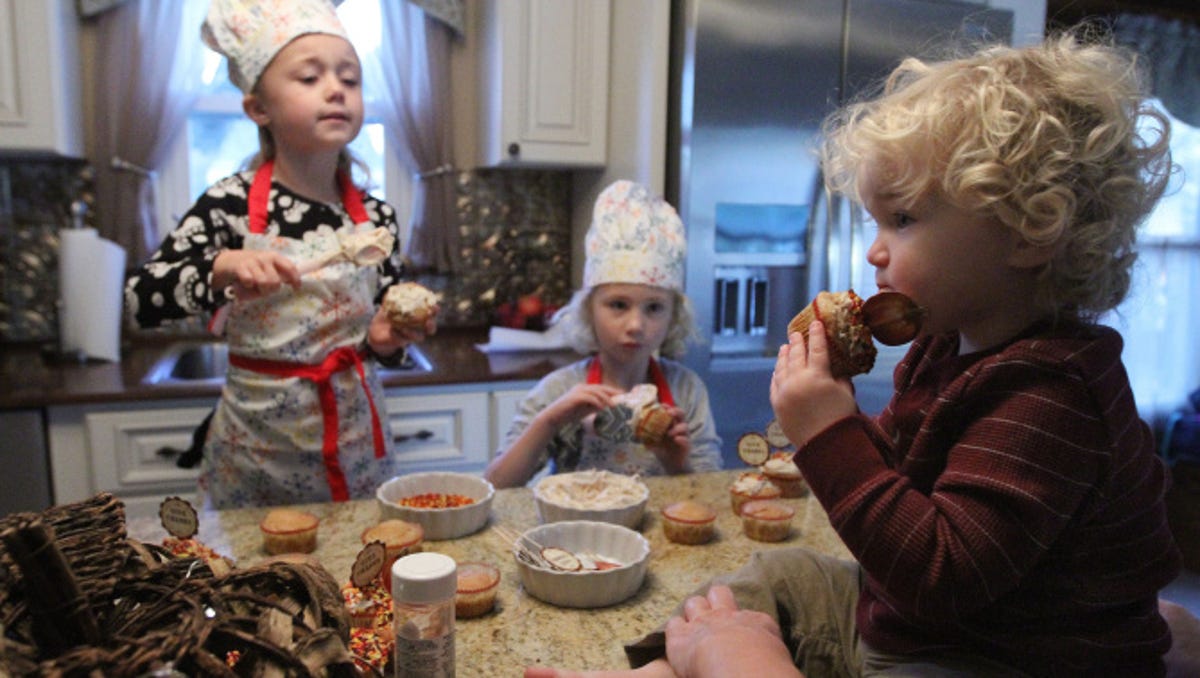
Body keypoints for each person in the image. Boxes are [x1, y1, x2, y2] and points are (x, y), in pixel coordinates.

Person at [526, 32, 1188, 677]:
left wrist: (829, 432)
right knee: (781, 574)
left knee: (748, 644)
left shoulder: (1050, 397)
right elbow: (903, 474)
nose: (874, 250)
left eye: (901, 220)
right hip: (916, 624)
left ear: (1029, 231)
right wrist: (836, 432)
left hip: (993, 655)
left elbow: (938, 574)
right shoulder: (945, 348)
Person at [125, 0, 434, 509]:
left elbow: (382, 334)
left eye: (349, 79)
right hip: (256, 450)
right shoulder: (229, 206)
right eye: (310, 77)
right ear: (258, 109)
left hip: (353, 441)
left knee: (353, 576)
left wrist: (385, 338)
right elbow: (140, 298)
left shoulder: (375, 220)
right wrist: (220, 267)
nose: (336, 89)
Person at [484, 180, 722, 488]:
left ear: (673, 317)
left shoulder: (687, 391)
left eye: (654, 308)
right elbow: (496, 486)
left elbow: (710, 496)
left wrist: (676, 464)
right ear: (588, 311)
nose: (636, 325)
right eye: (618, 305)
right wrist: (549, 422)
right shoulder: (559, 390)